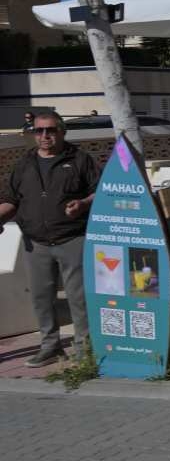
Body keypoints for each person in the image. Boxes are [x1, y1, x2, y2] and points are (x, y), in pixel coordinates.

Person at [0, 110, 100, 367]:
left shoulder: (80, 160)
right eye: (39, 130)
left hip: (72, 238)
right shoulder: (24, 164)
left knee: (79, 298)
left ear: (62, 132)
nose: (44, 135)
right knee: (41, 299)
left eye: (51, 130)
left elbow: (100, 192)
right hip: (36, 243)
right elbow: (11, 200)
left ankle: (85, 349)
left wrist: (83, 204)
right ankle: (51, 347)